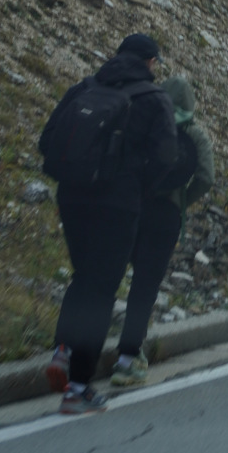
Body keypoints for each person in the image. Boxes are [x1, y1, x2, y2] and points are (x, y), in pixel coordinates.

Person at [39, 33, 177, 414]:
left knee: (84, 277)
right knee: (101, 290)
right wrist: (138, 189)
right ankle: (78, 389)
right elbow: (166, 156)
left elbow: (47, 140)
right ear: (151, 62)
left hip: (71, 197)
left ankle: (63, 348)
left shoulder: (85, 88)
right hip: (118, 205)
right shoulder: (155, 99)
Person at [110, 75, 215, 389]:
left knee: (110, 275)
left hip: (130, 208)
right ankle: (128, 359)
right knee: (144, 286)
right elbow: (206, 177)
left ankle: (79, 350)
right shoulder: (195, 132)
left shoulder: (141, 122)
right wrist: (183, 199)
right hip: (165, 215)